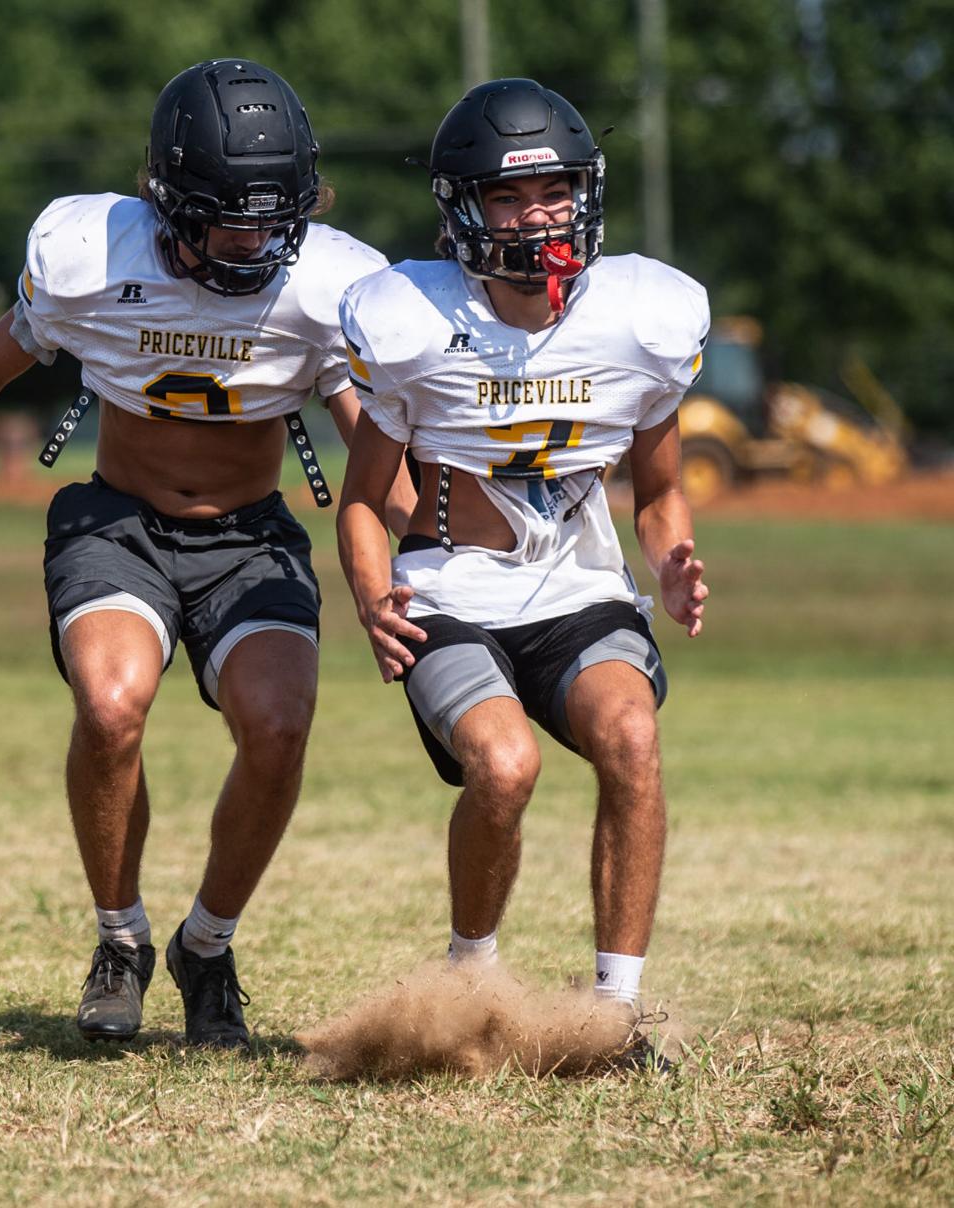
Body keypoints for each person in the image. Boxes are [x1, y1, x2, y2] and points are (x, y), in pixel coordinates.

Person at [0, 59, 410, 1050]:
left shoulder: (332, 288)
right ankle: (120, 936)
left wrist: (438, 552)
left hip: (250, 536)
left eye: (271, 218)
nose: (250, 241)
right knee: (111, 705)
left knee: (278, 726)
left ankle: (207, 944)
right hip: (121, 525)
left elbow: (378, 450)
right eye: (226, 216)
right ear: (168, 200)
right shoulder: (90, 257)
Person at [337, 78, 709, 1061]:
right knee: (504, 767)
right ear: (464, 207)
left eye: (553, 189)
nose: (536, 212)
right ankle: (470, 979)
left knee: (632, 736)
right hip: (452, 594)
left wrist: (671, 559)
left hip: (579, 591)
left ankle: (616, 1013)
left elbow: (660, 490)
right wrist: (372, 593)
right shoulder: (411, 319)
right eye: (509, 196)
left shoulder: (644, 317)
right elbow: (367, 501)